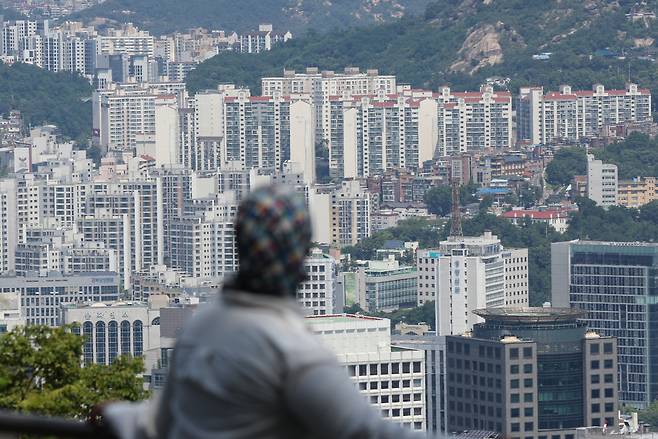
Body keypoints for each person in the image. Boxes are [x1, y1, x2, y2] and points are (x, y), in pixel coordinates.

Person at [102, 185, 424, 439]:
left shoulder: (202, 327)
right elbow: (368, 432)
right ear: (299, 257)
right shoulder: (291, 351)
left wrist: (114, 414)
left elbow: (161, 420)